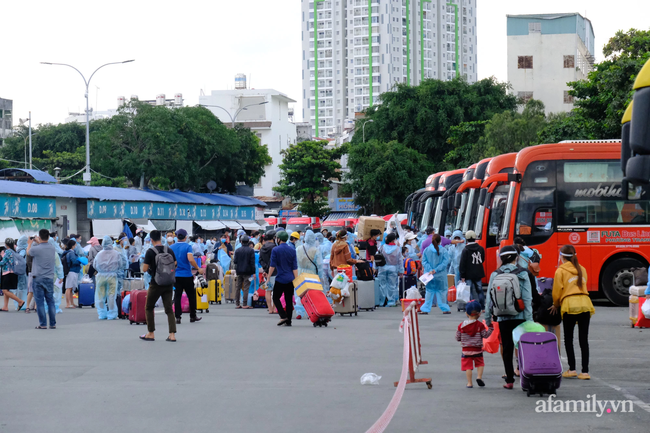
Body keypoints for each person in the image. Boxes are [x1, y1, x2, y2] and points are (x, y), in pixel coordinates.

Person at [485, 245, 533, 389]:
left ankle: (509, 380)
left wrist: (488, 319)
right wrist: (530, 320)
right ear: (516, 257)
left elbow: (489, 300)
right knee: (524, 348)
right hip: (520, 317)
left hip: (503, 317)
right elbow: (527, 298)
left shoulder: (495, 274)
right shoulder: (523, 273)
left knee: (507, 348)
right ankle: (526, 378)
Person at [550, 245, 594, 380]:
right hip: (585, 303)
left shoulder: (560, 271)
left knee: (568, 339)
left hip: (569, 305)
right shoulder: (582, 269)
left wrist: (555, 305)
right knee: (583, 339)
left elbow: (557, 291)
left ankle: (572, 369)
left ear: (562, 256)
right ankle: (585, 371)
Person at [141, 230, 177, 342]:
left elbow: (145, 269)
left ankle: (151, 333)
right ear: (161, 238)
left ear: (151, 240)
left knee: (149, 307)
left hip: (156, 283)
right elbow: (175, 264)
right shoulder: (168, 250)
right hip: (168, 283)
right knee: (169, 309)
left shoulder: (150, 252)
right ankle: (172, 334)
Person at [456, 300, 493, 388]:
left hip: (466, 350)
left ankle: (469, 383)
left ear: (466, 313)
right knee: (480, 364)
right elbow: (485, 335)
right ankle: (479, 377)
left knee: (468, 367)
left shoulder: (461, 325)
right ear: (479, 314)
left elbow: (457, 337)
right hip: (477, 349)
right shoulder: (480, 325)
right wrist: (491, 328)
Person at [170, 229, 203, 324]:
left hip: (176, 275)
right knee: (191, 295)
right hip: (186, 275)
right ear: (185, 237)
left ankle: (177, 317)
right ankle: (193, 316)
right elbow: (190, 259)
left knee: (177, 296)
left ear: (176, 237)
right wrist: (197, 268)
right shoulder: (188, 246)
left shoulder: (171, 247)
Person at [27, 230, 56, 329]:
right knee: (50, 301)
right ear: (48, 237)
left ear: (39, 237)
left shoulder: (35, 249)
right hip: (49, 277)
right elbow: (44, 246)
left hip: (38, 277)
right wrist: (39, 241)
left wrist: (30, 243)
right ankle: (52, 323)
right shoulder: (52, 248)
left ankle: (43, 324)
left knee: (39, 302)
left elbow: (28, 252)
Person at [268, 231, 298, 327]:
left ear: (279, 239)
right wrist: (296, 279)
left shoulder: (275, 250)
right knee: (289, 300)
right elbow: (294, 267)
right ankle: (289, 321)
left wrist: (268, 277)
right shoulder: (292, 250)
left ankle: (282, 315)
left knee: (276, 298)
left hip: (280, 278)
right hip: (290, 279)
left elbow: (272, 265)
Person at [295, 230, 324, 319]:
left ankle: (299, 312)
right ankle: (310, 312)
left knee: (300, 293)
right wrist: (320, 275)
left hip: (300, 273)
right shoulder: (316, 250)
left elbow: (295, 262)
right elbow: (319, 264)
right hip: (312, 274)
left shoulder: (298, 248)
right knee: (312, 294)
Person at [420, 234, 450, 314]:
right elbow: (445, 262)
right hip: (440, 276)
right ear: (440, 241)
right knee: (442, 291)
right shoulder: (444, 250)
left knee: (429, 292)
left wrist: (430, 270)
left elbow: (424, 261)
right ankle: (445, 309)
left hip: (429, 275)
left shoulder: (426, 250)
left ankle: (425, 309)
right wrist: (436, 270)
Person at [93, 236, 121, 320]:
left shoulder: (99, 254)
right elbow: (120, 264)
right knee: (111, 295)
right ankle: (112, 314)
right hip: (112, 276)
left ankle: (102, 313)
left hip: (101, 276)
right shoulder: (116, 253)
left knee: (100, 296)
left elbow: (95, 265)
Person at [459, 230, 485, 310]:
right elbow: (482, 259)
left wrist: (462, 275)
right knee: (479, 290)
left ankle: (472, 307)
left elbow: (462, 264)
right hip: (478, 272)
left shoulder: (465, 250)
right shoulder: (481, 248)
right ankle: (482, 306)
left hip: (468, 274)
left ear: (466, 239)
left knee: (469, 291)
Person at [376, 232, 403, 307]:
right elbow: (400, 260)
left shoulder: (382, 247)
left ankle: (382, 301)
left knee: (382, 285)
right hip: (393, 268)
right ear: (394, 240)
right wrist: (401, 271)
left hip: (382, 268)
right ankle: (391, 301)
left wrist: (375, 268)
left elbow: (377, 257)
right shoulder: (397, 249)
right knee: (392, 285)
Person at [0, 238, 26, 312]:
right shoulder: (14, 252)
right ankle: (5, 306)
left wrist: (2, 256)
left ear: (6, 244)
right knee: (7, 289)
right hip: (13, 273)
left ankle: (20, 301)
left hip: (7, 273)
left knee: (4, 290)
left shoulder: (7, 252)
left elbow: (3, 262)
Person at [233, 235, 256, 309]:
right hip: (248, 271)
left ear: (241, 242)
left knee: (238, 287)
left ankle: (237, 303)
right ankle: (245, 303)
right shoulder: (251, 250)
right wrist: (253, 272)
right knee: (246, 287)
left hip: (239, 271)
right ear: (248, 242)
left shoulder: (237, 250)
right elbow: (252, 262)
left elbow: (235, 261)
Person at [259, 231, 277, 314]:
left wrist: (266, 269)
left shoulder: (263, 247)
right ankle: (274, 308)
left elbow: (260, 260)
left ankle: (270, 309)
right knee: (276, 291)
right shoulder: (274, 247)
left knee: (268, 291)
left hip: (266, 272)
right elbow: (274, 260)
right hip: (275, 271)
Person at [63, 239, 82, 308]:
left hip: (71, 271)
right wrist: (80, 261)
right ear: (73, 246)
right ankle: (68, 303)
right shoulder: (71, 253)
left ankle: (72, 303)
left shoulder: (68, 252)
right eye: (75, 245)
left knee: (70, 288)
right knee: (69, 288)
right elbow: (74, 261)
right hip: (72, 271)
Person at [14, 235, 29, 311]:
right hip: (23, 271)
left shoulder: (17, 250)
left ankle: (19, 303)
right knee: (22, 288)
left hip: (18, 271)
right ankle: (21, 303)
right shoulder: (24, 250)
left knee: (20, 288)